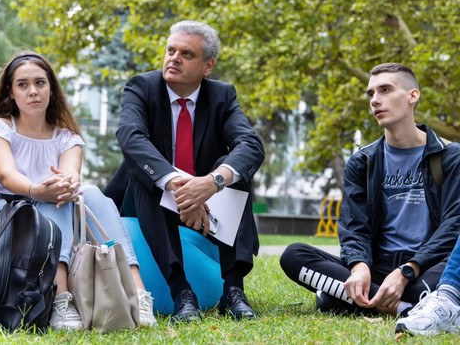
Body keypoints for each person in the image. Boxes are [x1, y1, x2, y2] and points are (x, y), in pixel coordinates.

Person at [0, 51, 157, 331]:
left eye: (40, 83)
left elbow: (71, 174)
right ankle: (61, 299)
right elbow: (5, 174)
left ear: (51, 89)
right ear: (10, 93)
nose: (32, 91)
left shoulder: (66, 136)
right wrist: (38, 190)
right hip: (8, 216)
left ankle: (138, 294)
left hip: (55, 212)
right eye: (22, 85)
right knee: (53, 199)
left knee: (91, 192)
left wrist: (66, 184)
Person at [111, 20, 265, 323]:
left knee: (235, 168)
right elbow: (131, 137)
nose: (174, 58)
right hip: (146, 203)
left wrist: (211, 183)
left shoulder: (221, 96)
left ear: (208, 66)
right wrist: (181, 187)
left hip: (207, 208)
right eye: (170, 50)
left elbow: (251, 145)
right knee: (145, 174)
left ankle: (233, 289)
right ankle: (181, 291)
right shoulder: (142, 87)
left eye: (186, 54)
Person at [280, 63, 460, 319]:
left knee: (438, 281)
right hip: (377, 264)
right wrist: (358, 267)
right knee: (293, 255)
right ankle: (404, 308)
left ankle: (344, 297)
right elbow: (354, 226)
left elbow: (453, 226)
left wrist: (407, 271)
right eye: (371, 94)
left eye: (385, 90)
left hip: (428, 266)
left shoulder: (450, 156)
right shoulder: (363, 161)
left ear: (413, 96)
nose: (375, 100)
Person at [395, 236, 460, 335]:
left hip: (433, 261)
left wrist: (412, 266)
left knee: (420, 289)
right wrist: (362, 263)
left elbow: (449, 231)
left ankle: (448, 296)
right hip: (381, 264)